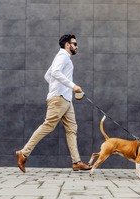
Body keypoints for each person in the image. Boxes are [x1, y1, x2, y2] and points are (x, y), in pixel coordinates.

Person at [15, 34, 91, 173]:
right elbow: (54, 72)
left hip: (66, 99)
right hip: (59, 99)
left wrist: (58, 87)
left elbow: (47, 75)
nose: (77, 46)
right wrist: (72, 86)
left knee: (72, 129)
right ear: (67, 45)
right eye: (74, 43)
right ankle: (23, 153)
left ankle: (76, 162)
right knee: (48, 126)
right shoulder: (62, 56)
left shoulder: (61, 57)